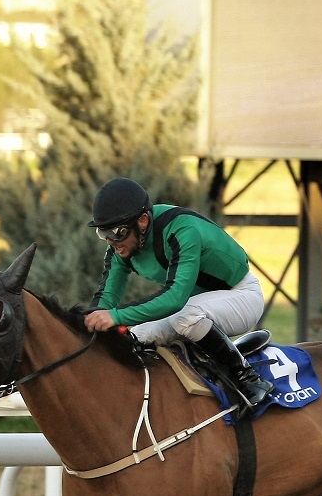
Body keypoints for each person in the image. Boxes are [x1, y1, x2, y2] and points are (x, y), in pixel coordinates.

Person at [82, 176, 273, 414]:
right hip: (196, 304)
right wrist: (88, 323)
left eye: (118, 233)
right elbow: (105, 299)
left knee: (186, 316)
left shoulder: (181, 229)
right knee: (136, 336)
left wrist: (116, 317)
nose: (113, 243)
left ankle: (247, 378)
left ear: (142, 221)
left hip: (242, 296)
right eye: (105, 235)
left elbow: (175, 299)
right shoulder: (120, 248)